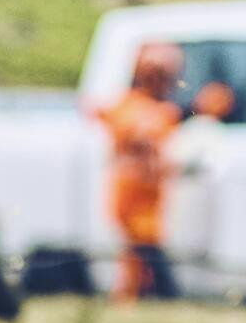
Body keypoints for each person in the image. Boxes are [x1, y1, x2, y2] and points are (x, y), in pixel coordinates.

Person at [93, 44, 228, 300]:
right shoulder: (132, 108)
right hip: (132, 194)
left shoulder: (161, 112)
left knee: (142, 251)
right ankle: (144, 295)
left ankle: (143, 294)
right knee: (141, 249)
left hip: (151, 196)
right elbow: (128, 129)